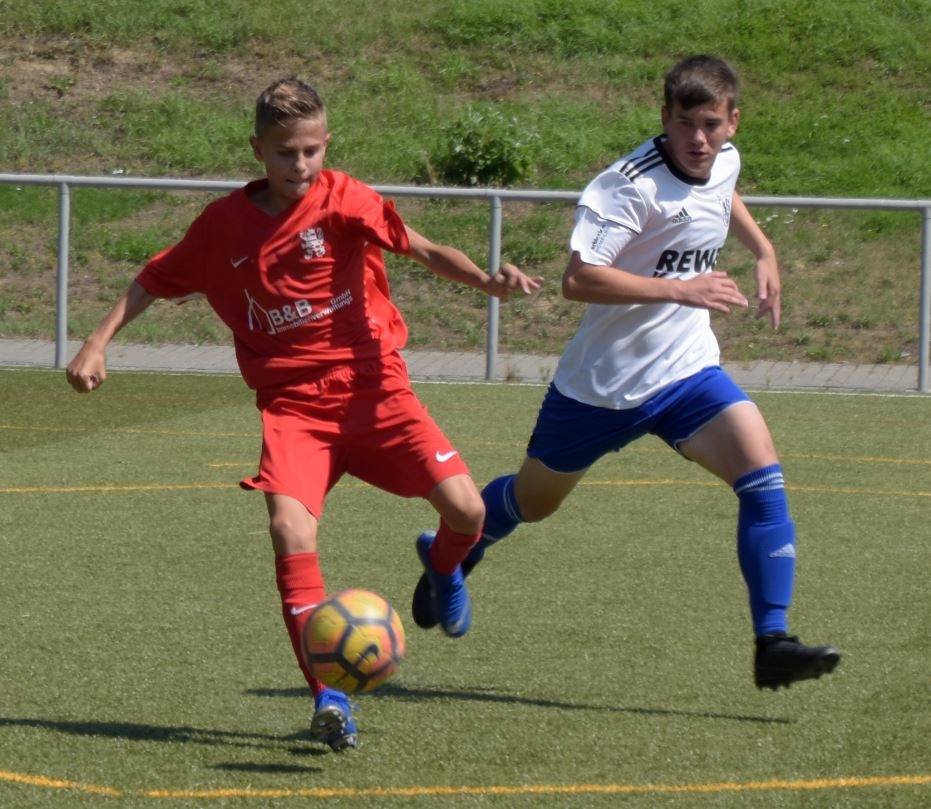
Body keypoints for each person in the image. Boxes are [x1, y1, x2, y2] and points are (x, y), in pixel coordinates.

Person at [66, 77, 542, 751]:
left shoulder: (346, 198)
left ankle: (442, 568)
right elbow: (153, 277)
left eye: (312, 150)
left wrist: (488, 281)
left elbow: (423, 248)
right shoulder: (223, 226)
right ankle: (330, 698)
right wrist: (96, 341)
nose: (300, 165)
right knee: (288, 529)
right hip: (295, 408)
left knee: (468, 512)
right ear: (257, 149)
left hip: (376, 390)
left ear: (327, 144)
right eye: (286, 152)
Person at [412, 55, 841, 691]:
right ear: (664, 117)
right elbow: (578, 280)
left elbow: (721, 194)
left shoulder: (724, 158)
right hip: (602, 388)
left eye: (712, 125)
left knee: (763, 479)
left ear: (732, 122)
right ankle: (455, 548)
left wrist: (765, 249)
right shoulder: (627, 187)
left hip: (687, 374)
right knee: (533, 503)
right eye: (685, 123)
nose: (699, 139)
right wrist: (680, 290)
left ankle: (772, 642)